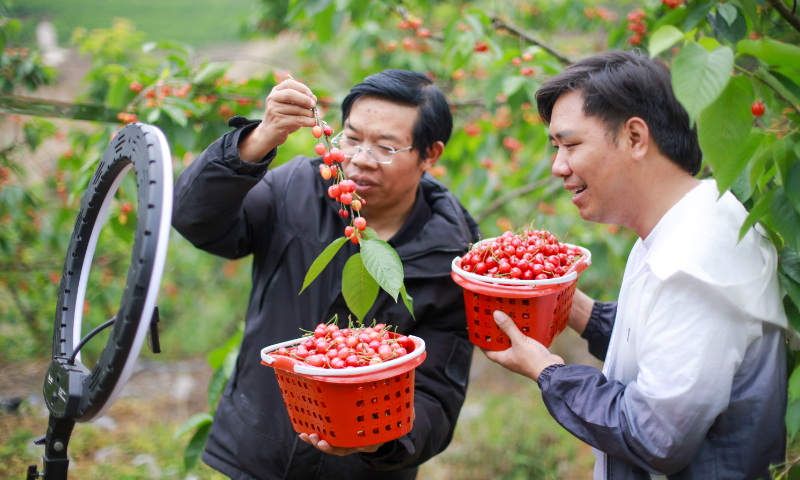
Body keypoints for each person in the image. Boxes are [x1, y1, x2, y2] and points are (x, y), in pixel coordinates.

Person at [483, 51, 789, 479]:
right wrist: (567, 304)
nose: (557, 166)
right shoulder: (683, 225)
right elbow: (659, 347)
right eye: (555, 147)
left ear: (635, 138)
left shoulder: (695, 260)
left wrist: (547, 371)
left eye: (570, 145)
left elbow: (656, 436)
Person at [172, 69, 480, 480]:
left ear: (430, 154)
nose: (360, 160)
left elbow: (437, 396)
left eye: (386, 148)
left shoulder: (453, 260)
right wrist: (258, 140)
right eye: (351, 138)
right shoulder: (295, 187)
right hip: (258, 454)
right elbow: (195, 219)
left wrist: (381, 439)